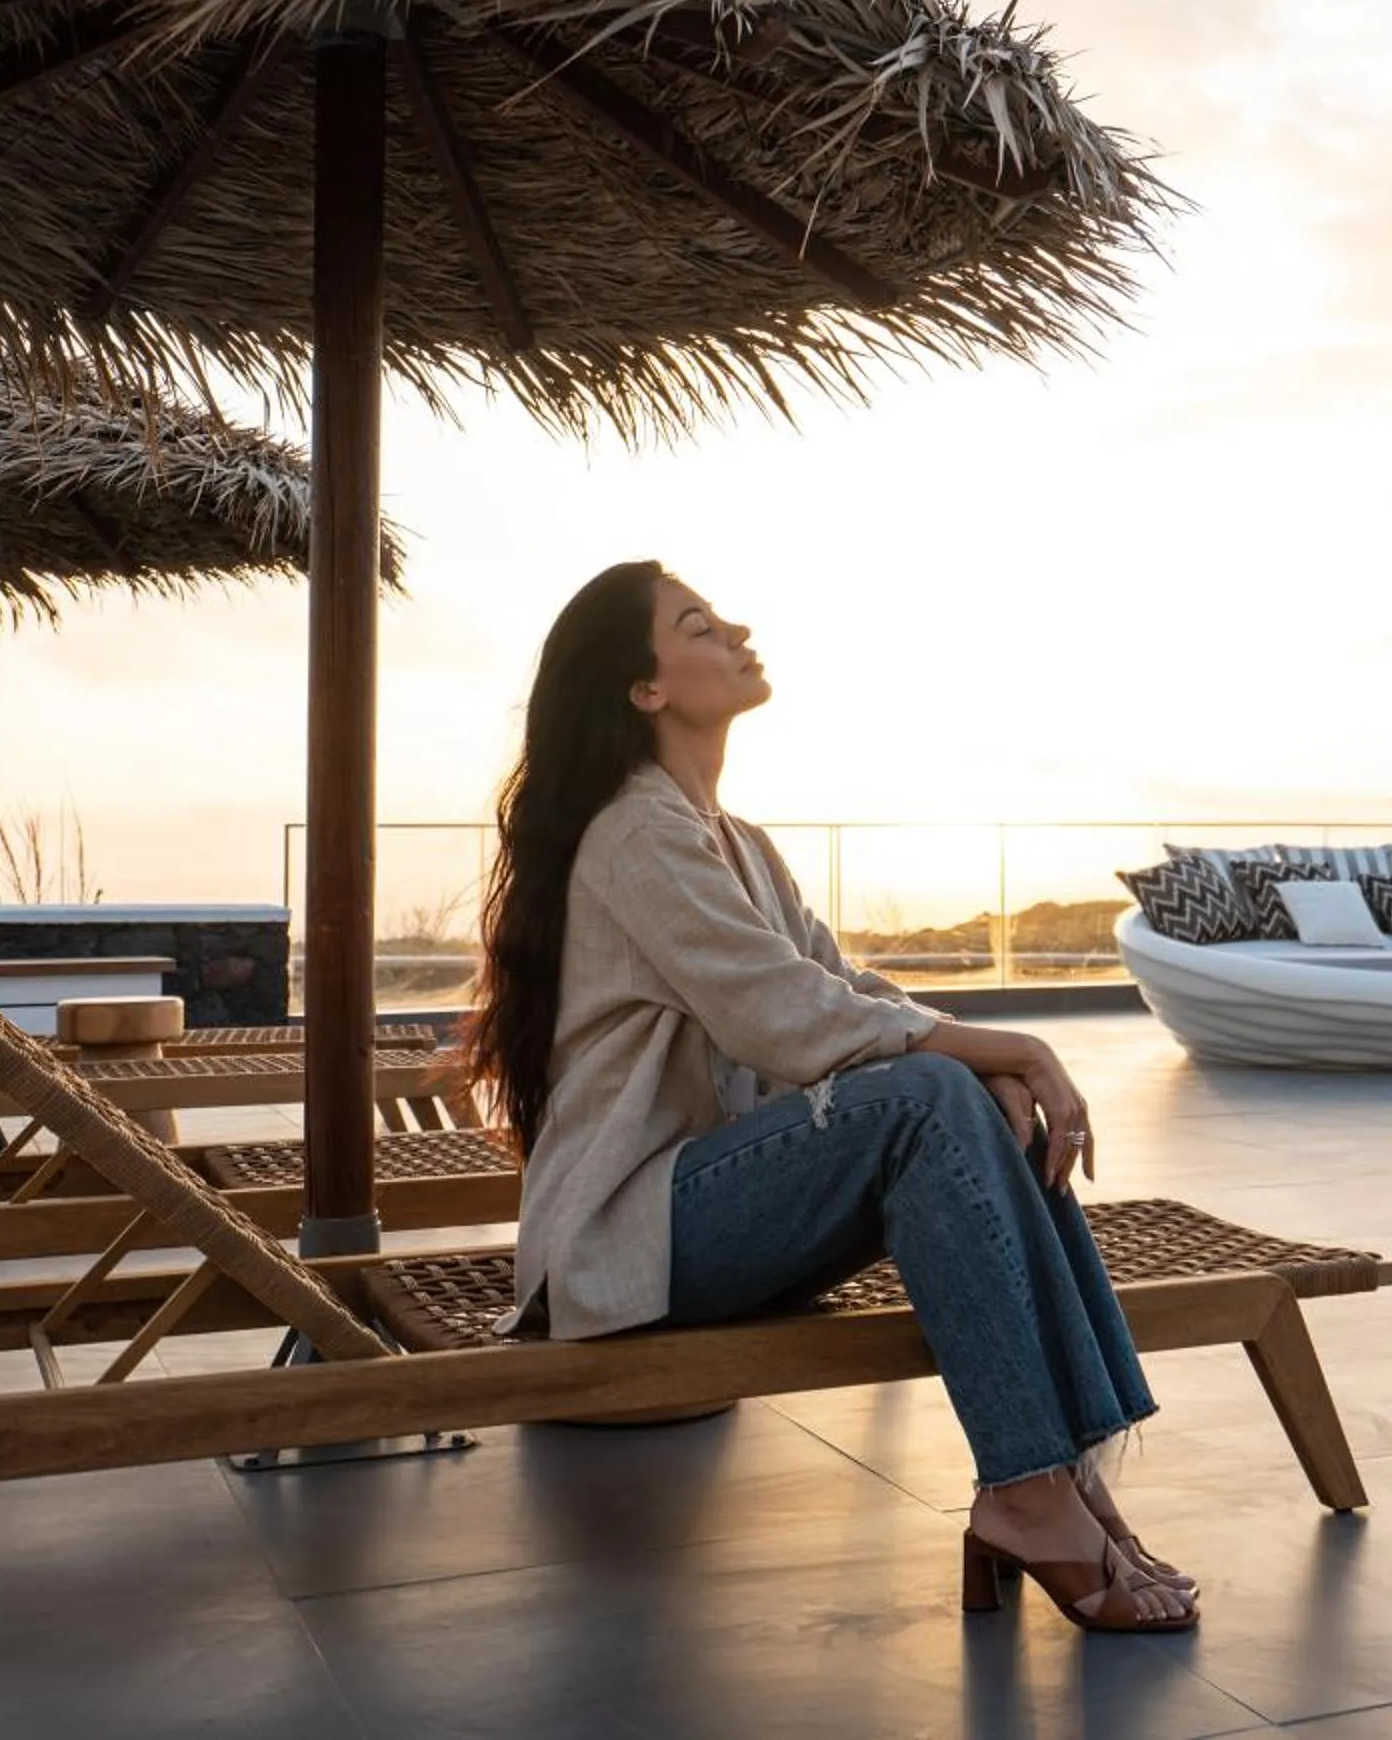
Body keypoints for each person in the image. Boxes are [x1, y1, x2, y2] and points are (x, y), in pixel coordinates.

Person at [466, 560, 1196, 1633]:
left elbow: (842, 988)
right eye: (699, 624)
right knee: (927, 1095)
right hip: (628, 1239)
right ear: (645, 688)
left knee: (968, 1096)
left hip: (721, 1217)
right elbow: (777, 1013)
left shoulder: (738, 841)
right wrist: (1009, 1043)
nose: (736, 630)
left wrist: (995, 1062)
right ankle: (1033, 1490)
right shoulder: (634, 833)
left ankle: (1060, 1477)